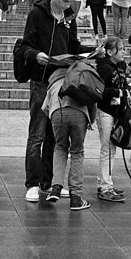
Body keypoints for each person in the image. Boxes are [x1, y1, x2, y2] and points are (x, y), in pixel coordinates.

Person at [19, 0, 83, 203]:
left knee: (53, 135)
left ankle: (48, 182)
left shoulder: (69, 17)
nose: (67, 6)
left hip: (59, 81)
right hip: (40, 80)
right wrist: (35, 55)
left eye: (70, 2)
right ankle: (33, 183)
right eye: (64, 1)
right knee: (37, 133)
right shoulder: (38, 14)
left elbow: (73, 46)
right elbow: (25, 45)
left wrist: (92, 51)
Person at [43, 53, 97, 211]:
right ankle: (76, 197)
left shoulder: (53, 80)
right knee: (77, 152)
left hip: (57, 114)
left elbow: (45, 107)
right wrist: (91, 120)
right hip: (79, 114)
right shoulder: (82, 76)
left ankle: (56, 188)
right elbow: (92, 99)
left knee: (60, 148)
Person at [94, 36, 130, 202]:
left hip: (118, 112)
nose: (124, 52)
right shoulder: (104, 68)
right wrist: (118, 93)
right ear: (109, 52)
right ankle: (105, 186)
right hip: (106, 111)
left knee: (111, 148)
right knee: (106, 149)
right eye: (120, 49)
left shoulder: (121, 66)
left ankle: (106, 183)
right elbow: (100, 91)